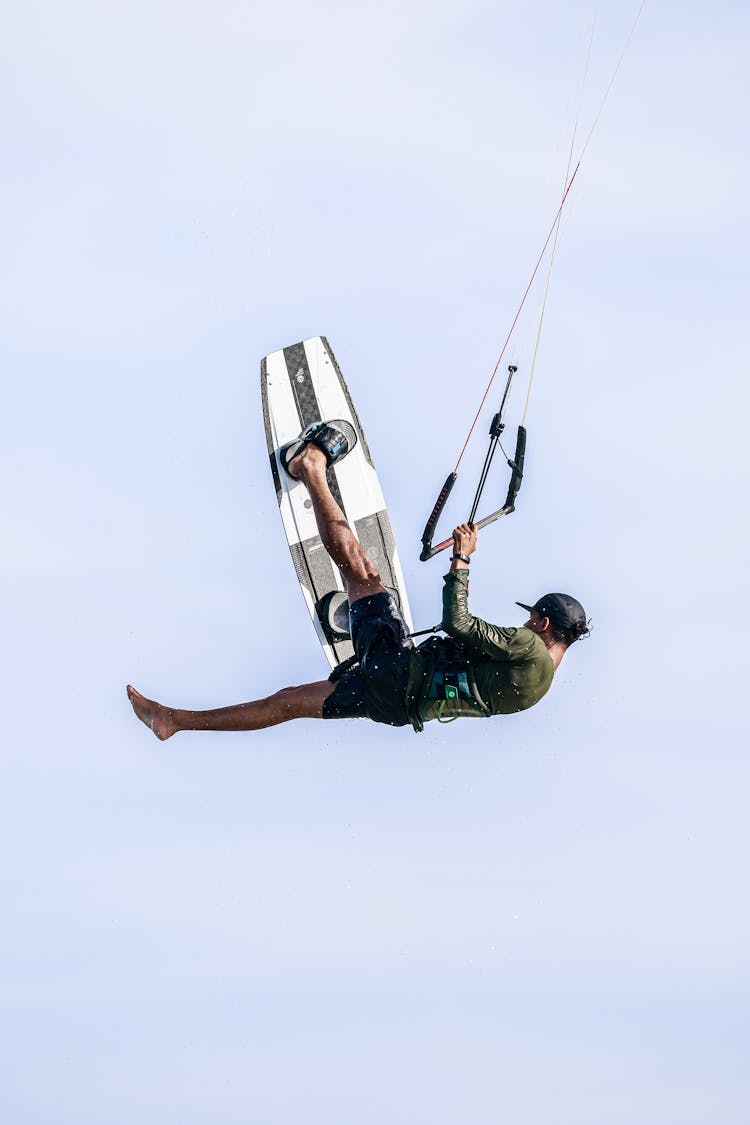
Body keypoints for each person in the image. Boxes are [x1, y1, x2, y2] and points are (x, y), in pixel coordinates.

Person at [127, 423, 589, 740]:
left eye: (531, 617)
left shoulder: (530, 648)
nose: (526, 623)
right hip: (397, 709)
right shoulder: (539, 688)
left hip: (397, 669)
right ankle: (174, 721)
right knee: (291, 702)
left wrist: (462, 563)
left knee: (363, 572)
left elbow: (459, 623)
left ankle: (309, 468)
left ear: (545, 624)